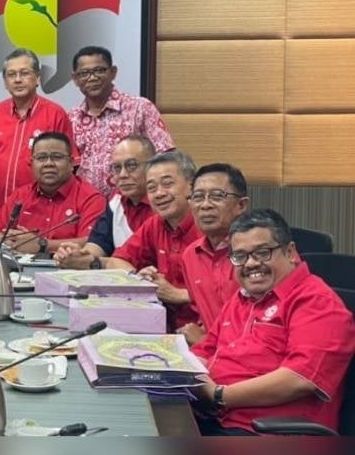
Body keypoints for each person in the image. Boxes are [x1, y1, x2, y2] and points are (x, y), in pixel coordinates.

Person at [192, 209, 355, 436]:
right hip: (215, 420)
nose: (250, 264)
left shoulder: (317, 301)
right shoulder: (242, 298)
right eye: (240, 256)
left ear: (290, 252)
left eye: (262, 252)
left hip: (268, 435)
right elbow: (204, 350)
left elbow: (300, 379)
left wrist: (219, 395)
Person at [0, 48, 75, 236]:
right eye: (11, 75)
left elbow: (69, 168)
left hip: (40, 216)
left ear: (38, 78)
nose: (18, 79)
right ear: (5, 82)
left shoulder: (56, 114)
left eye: (24, 73)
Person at [106, 151, 202, 331]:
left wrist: (177, 294)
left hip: (201, 332)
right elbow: (115, 261)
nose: (159, 193)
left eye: (168, 184)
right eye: (151, 188)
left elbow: (230, 293)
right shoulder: (156, 223)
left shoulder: (209, 225)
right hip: (158, 325)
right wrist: (139, 279)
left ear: (191, 186)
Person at [67, 46, 174, 196]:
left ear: (113, 72)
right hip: (86, 207)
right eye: (84, 73)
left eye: (99, 70)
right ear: (75, 79)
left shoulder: (140, 108)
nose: (92, 78)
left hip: (132, 204)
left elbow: (166, 157)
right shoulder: (71, 118)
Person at [0, 132, 105, 254]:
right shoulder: (20, 195)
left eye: (57, 157)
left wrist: (42, 245)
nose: (48, 164)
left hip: (67, 269)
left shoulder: (91, 198)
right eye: (41, 158)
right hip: (19, 269)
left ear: (72, 163)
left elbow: (92, 243)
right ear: (32, 164)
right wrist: (10, 241)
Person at [54, 135, 157, 269]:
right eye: (117, 168)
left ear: (152, 166)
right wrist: (77, 255)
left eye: (131, 165)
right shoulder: (116, 202)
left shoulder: (163, 204)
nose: (123, 175)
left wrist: (93, 262)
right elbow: (98, 243)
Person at [180, 163, 250, 344]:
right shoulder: (190, 256)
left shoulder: (264, 252)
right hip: (212, 357)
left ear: (241, 205)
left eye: (217, 196)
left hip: (253, 360)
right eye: (197, 197)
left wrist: (205, 341)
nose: (205, 205)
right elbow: (206, 316)